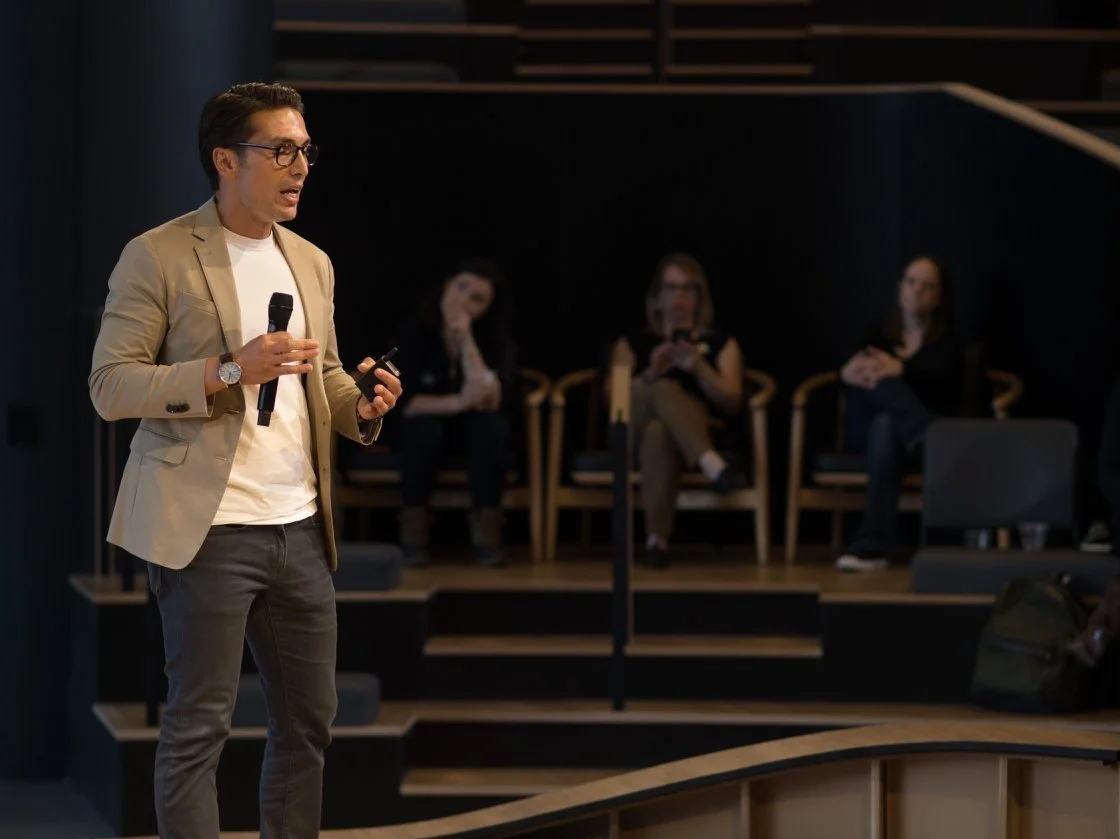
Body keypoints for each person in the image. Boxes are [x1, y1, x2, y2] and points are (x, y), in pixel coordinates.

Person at [88, 82, 402, 839]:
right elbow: (110, 384)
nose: (300, 167)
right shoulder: (158, 254)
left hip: (298, 526)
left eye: (306, 151)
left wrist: (357, 405)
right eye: (280, 151)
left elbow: (317, 378)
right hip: (207, 529)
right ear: (225, 159)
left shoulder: (312, 262)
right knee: (197, 731)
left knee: (308, 726)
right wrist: (230, 369)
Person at [611, 253, 744, 569]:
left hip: (693, 429)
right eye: (671, 288)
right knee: (661, 390)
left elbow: (732, 401)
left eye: (688, 289)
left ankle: (657, 541)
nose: (679, 297)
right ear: (657, 297)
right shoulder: (633, 342)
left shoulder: (721, 343)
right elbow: (612, 400)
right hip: (631, 429)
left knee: (660, 432)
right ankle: (711, 464)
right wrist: (651, 374)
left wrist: (698, 367)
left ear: (699, 297)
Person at [835, 255, 966, 572]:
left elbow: (949, 383)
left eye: (927, 285)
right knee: (879, 395)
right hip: (869, 439)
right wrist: (847, 373)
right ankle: (925, 432)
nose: (917, 289)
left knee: (887, 424)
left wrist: (902, 369)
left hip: (902, 449)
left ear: (938, 297)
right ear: (899, 288)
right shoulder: (876, 336)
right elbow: (849, 373)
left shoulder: (949, 343)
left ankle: (872, 546)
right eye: (911, 281)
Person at [388, 259, 517, 567]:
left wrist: (465, 338)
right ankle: (413, 536)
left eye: (477, 299)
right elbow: (407, 403)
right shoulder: (414, 332)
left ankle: (487, 537)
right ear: (447, 285)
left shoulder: (493, 339)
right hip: (423, 427)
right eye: (461, 288)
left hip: (469, 432)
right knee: (423, 428)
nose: (464, 301)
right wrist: (460, 402)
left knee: (490, 428)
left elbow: (489, 398)